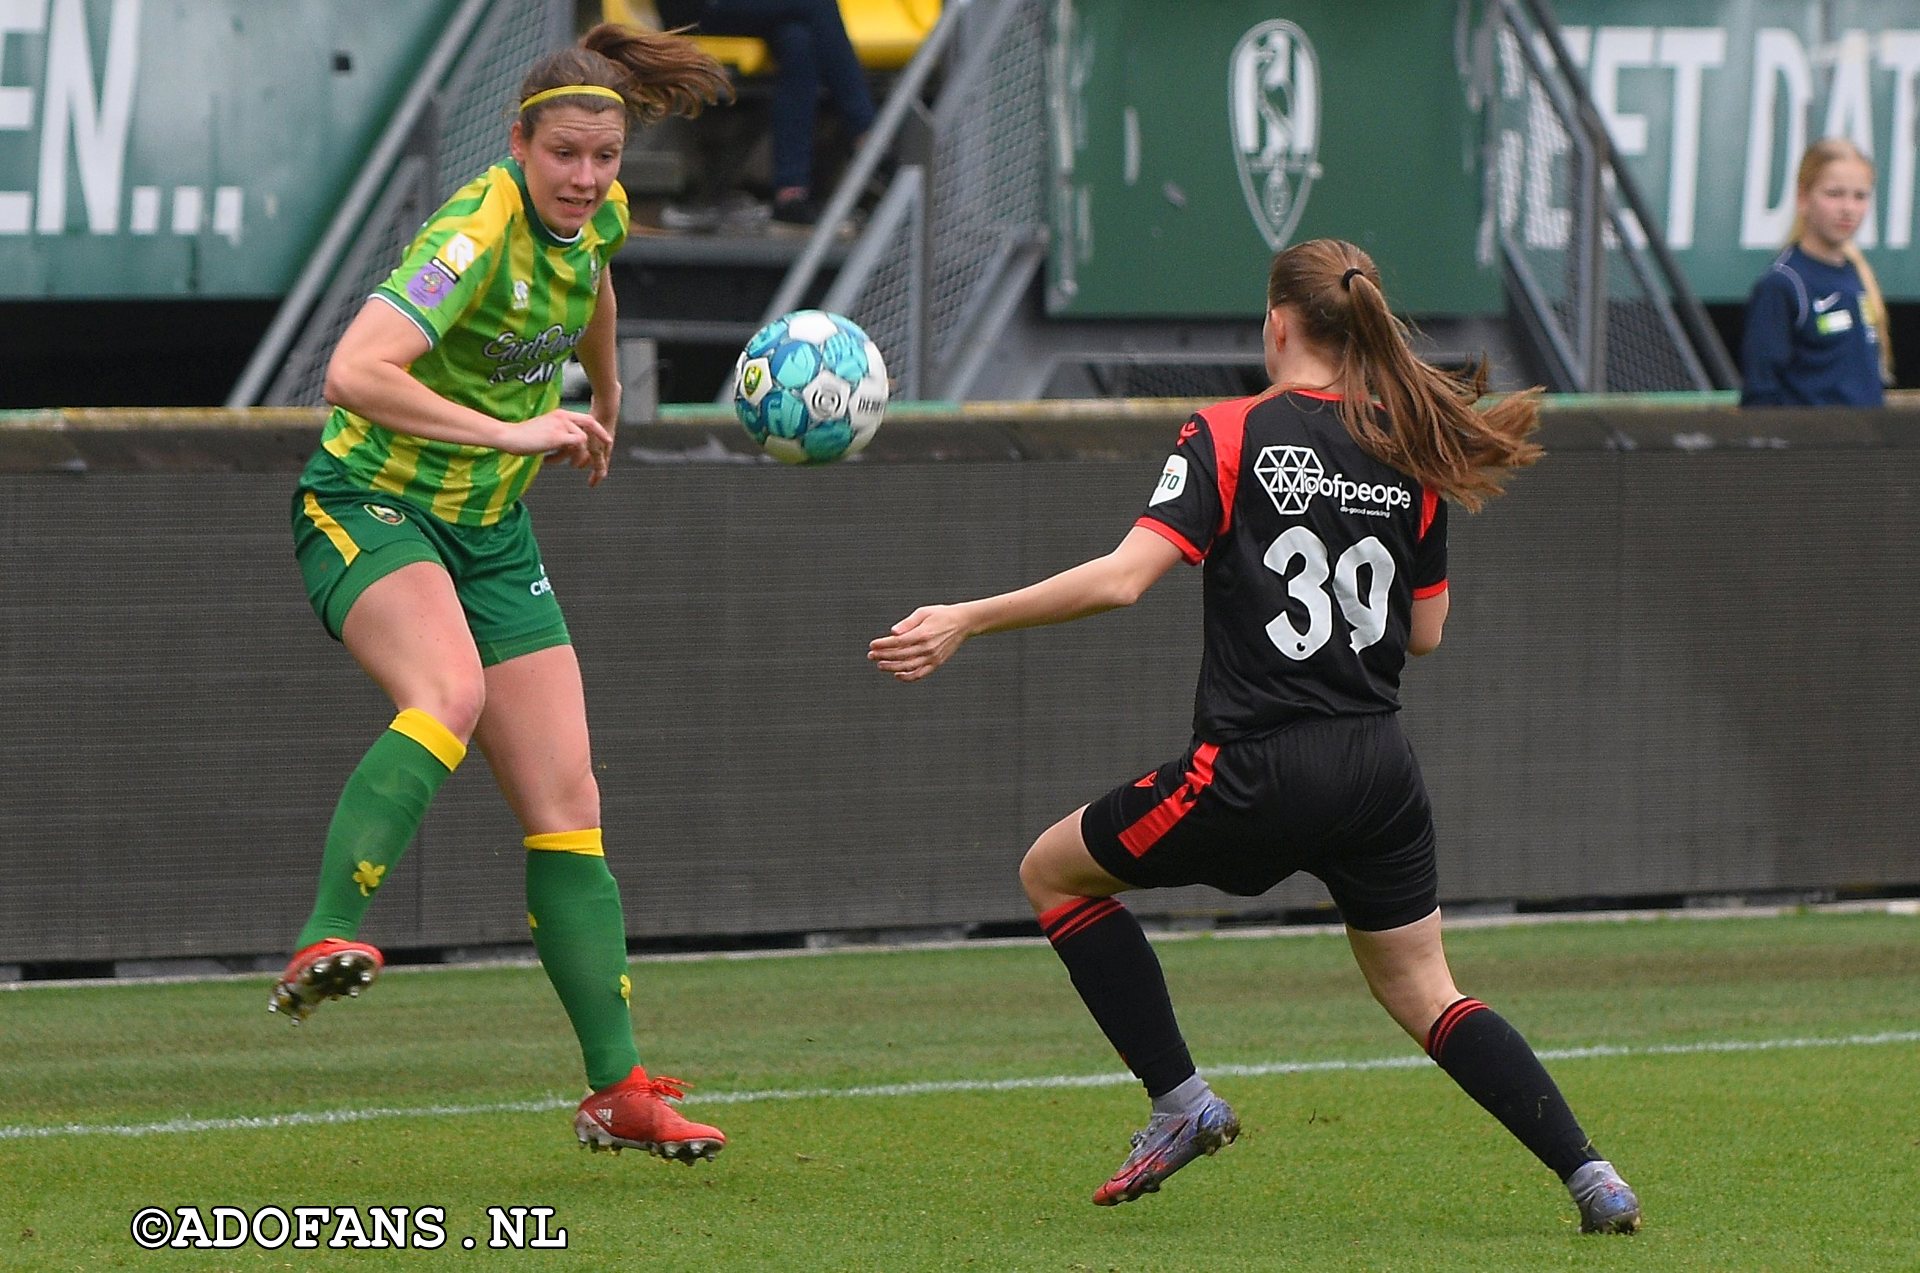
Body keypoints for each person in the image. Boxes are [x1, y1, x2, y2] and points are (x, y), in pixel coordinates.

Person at [869, 239, 1643, 1233]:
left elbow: (1120, 578)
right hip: (1378, 768)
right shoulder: (1410, 447)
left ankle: (1182, 1100)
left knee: (1053, 874)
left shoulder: (1230, 431)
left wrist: (967, 616)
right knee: (1430, 993)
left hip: (1257, 765)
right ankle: (1591, 1173)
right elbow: (1428, 633)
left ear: (1278, 323)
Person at [275, 23, 735, 1166]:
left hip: (489, 533)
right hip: (370, 504)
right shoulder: (472, 229)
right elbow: (353, 370)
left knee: (569, 799)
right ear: (518, 141)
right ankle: (325, 933)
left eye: (605, 157)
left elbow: (594, 292)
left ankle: (618, 1091)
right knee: (449, 690)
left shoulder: (599, 217)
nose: (585, 179)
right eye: (564, 156)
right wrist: (512, 427)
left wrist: (612, 392)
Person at [655, 0, 877, 227]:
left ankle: (790, 194)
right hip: (694, 9)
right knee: (819, 4)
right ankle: (866, 134)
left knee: (797, 41)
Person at [1740, 137, 1893, 406]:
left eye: (1860, 196)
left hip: (1869, 445)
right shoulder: (1783, 284)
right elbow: (1760, 396)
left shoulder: (1858, 276)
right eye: (1834, 194)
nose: (1848, 208)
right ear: (1803, 198)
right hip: (1814, 446)